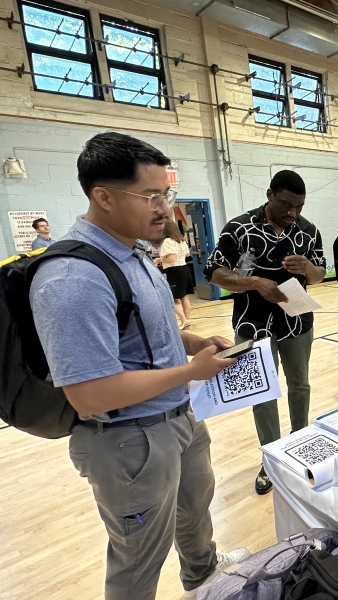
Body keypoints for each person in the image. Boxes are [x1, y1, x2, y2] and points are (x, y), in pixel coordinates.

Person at [29, 132, 246, 600]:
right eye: (150, 196)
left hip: (177, 420)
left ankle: (205, 580)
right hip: (129, 441)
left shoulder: (133, 253)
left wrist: (192, 344)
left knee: (195, 514)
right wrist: (191, 373)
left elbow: (148, 333)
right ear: (102, 197)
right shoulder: (72, 277)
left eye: (164, 194)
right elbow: (91, 394)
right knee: (138, 559)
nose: (164, 208)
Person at [205, 170, 326, 496]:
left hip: (297, 322)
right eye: (286, 204)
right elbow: (214, 273)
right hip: (251, 324)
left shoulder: (307, 231)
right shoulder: (239, 228)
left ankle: (299, 443)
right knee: (262, 392)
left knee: (299, 384)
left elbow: (319, 274)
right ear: (270, 193)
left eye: (298, 207)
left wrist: (308, 269)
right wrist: (254, 282)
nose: (292, 213)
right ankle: (271, 459)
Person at [161, 220, 194, 329]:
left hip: (173, 270)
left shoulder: (167, 241)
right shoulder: (181, 240)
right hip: (184, 268)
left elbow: (171, 258)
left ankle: (184, 320)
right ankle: (186, 321)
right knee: (185, 297)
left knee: (173, 298)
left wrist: (159, 260)